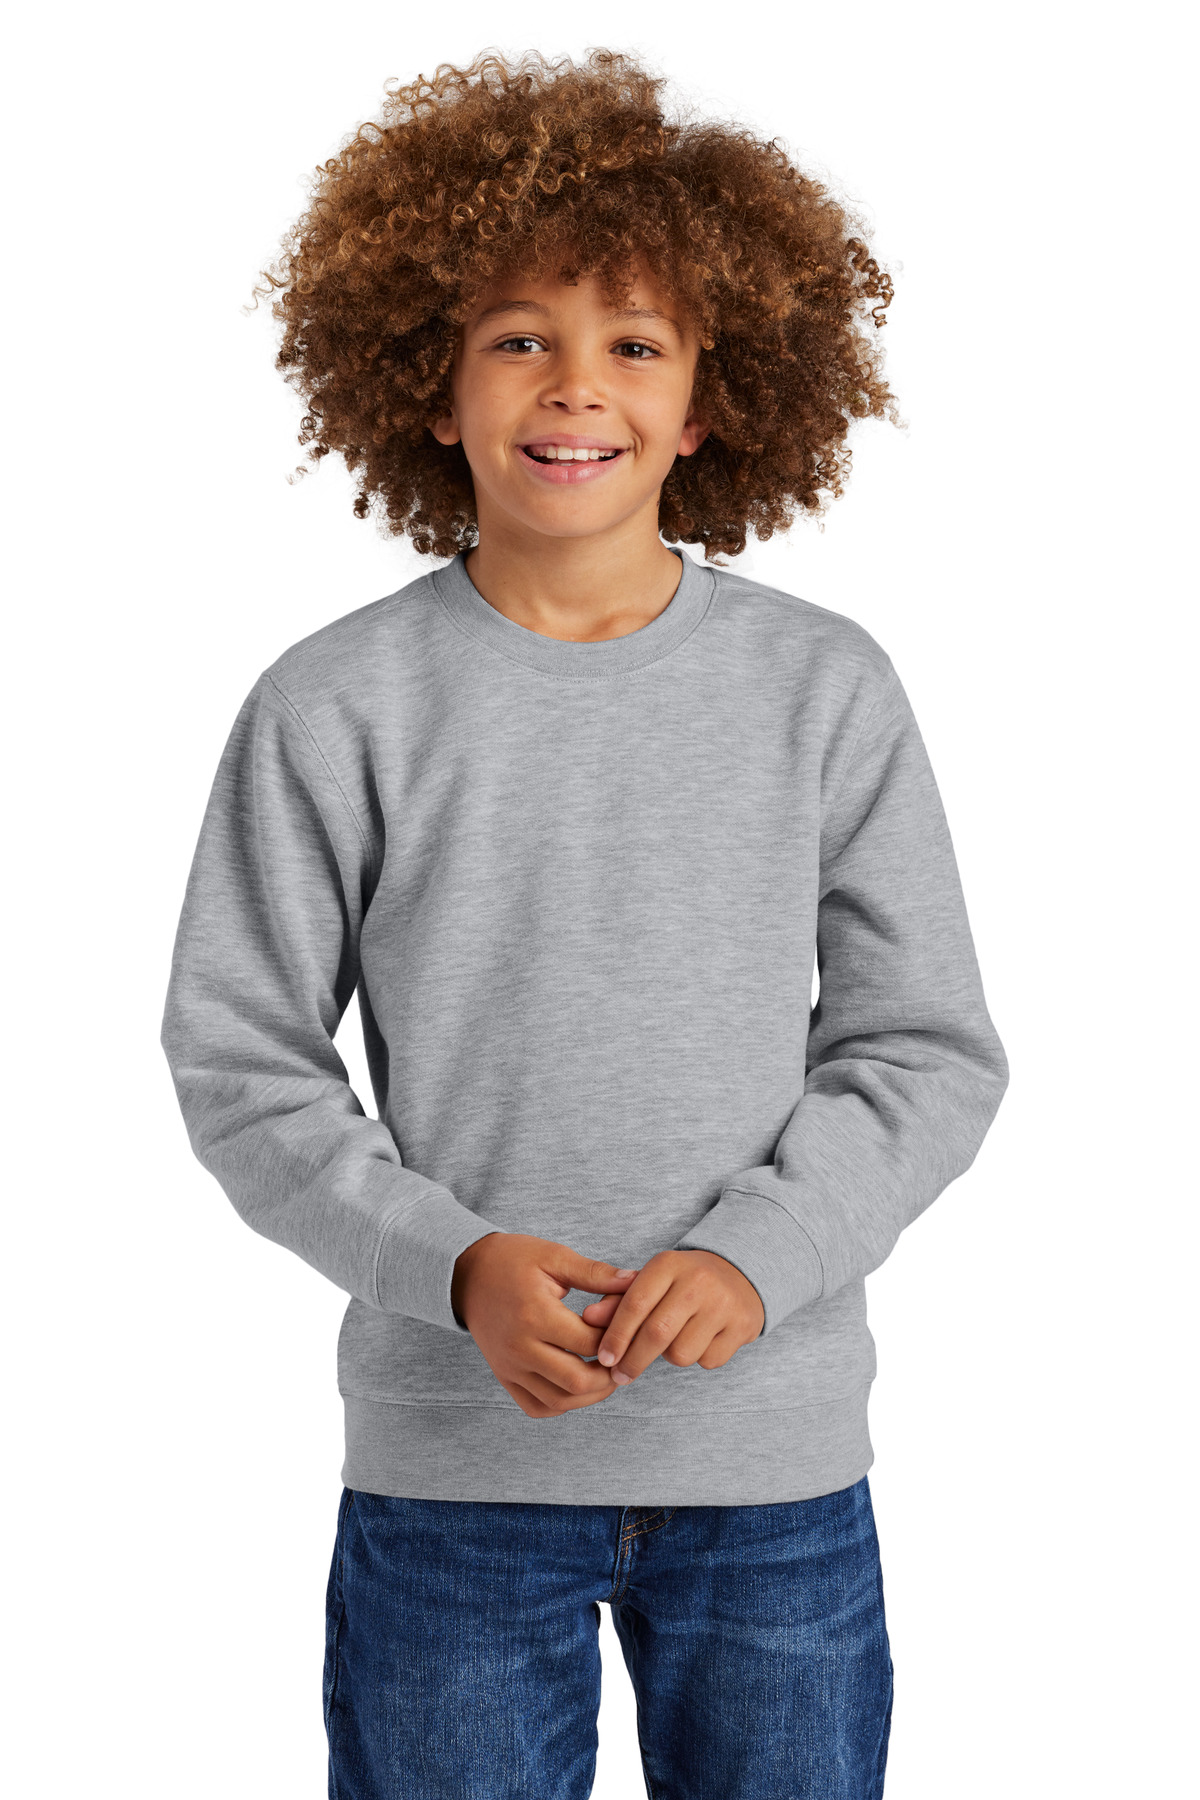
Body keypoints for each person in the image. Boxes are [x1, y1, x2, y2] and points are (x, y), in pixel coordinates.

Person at [160, 48, 1008, 1800]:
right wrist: (448, 1264)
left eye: (636, 342)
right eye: (517, 338)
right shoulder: (336, 704)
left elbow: (924, 1048)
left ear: (707, 403)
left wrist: (762, 1253)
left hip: (770, 1474)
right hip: (454, 1476)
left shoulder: (825, 688)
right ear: (430, 384)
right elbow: (241, 1061)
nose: (575, 386)